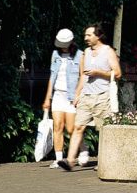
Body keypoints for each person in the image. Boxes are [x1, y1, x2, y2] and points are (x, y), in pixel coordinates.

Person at [57, 23, 121, 172]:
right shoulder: (85, 53)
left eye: (89, 35)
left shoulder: (108, 51)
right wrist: (77, 95)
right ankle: (70, 161)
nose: (86, 38)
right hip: (86, 96)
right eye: (85, 35)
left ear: (98, 36)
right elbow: (82, 76)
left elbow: (117, 74)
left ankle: (104, 162)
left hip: (102, 96)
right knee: (78, 127)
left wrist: (99, 73)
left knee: (103, 130)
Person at [42, 29, 89, 168]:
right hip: (58, 94)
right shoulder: (55, 54)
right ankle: (58, 159)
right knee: (57, 126)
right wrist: (47, 98)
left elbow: (83, 76)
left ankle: (84, 149)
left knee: (71, 128)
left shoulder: (80, 55)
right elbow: (52, 76)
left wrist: (78, 95)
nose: (62, 46)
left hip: (71, 96)